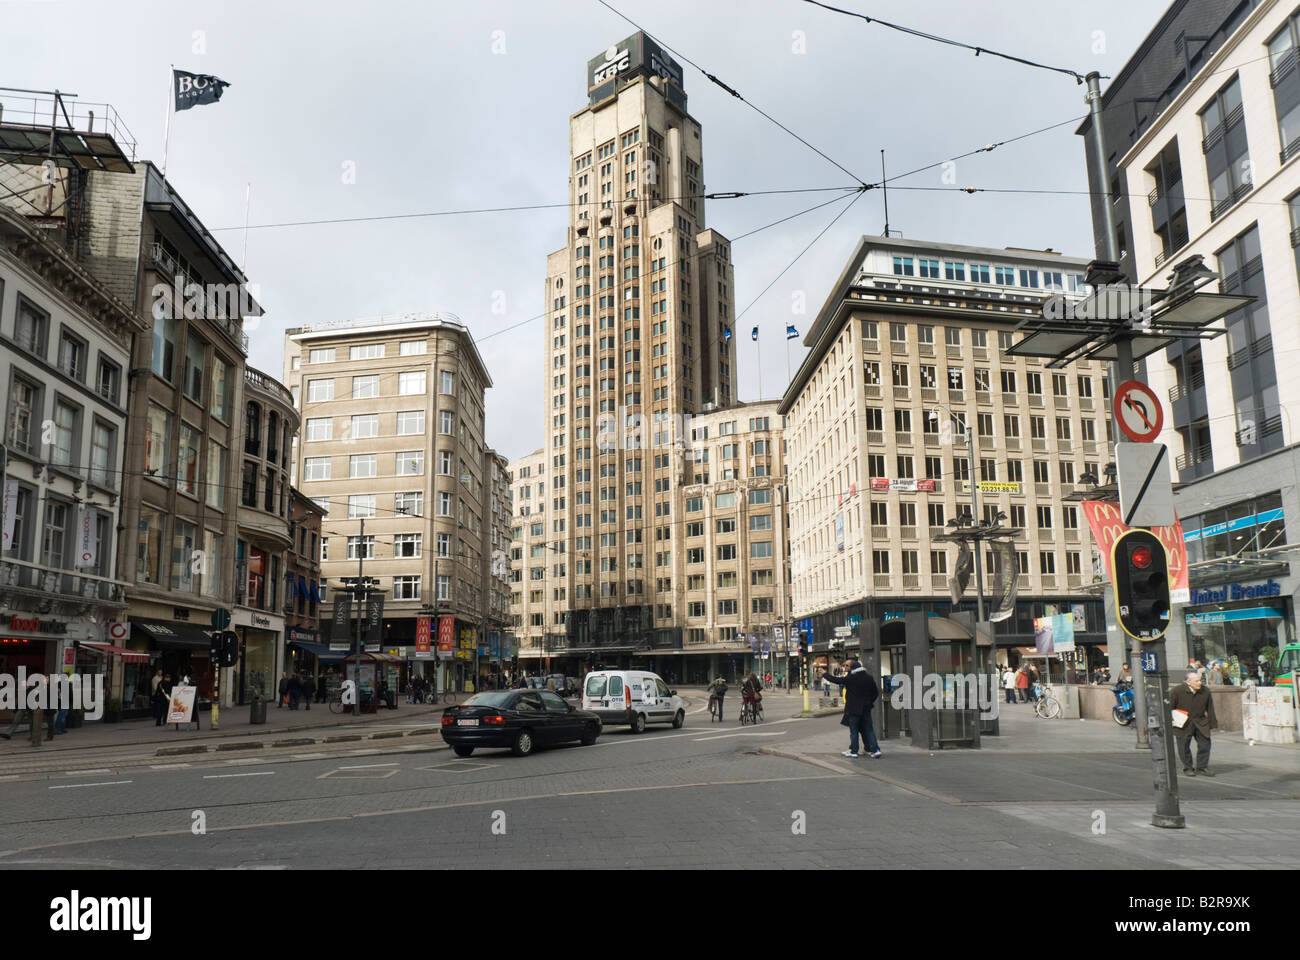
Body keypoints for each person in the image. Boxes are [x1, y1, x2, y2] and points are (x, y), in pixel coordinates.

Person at [820, 659, 880, 759]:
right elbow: (875, 693)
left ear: (852, 667)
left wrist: (825, 674)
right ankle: (875, 750)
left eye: (846, 666)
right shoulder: (869, 678)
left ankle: (854, 751)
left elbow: (837, 681)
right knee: (869, 729)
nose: (845, 667)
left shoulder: (851, 678)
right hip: (866, 708)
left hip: (853, 709)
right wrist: (869, 702)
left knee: (854, 730)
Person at [1170, 669, 1218, 777]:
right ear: (1188, 682)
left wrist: (1212, 723)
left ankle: (1202, 767)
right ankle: (1188, 768)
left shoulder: (1205, 691)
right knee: (1183, 747)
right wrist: (1171, 721)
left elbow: (1210, 708)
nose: (1200, 683)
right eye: (1197, 681)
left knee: (1205, 744)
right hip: (1183, 723)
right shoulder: (1177, 691)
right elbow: (1169, 707)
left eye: (1200, 680)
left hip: (1200, 721)